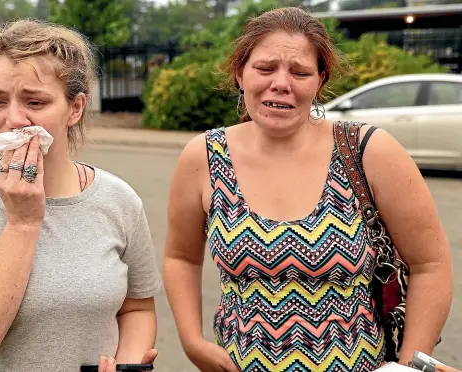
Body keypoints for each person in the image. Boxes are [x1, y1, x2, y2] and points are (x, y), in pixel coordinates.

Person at [163, 7, 453, 372]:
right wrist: (192, 341)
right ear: (240, 73)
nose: (281, 83)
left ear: (319, 80)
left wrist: (408, 366)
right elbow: (181, 257)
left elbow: (430, 264)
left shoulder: (368, 151)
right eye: (265, 68)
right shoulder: (204, 156)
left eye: (299, 72)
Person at [0, 20, 161, 372]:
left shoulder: (118, 199)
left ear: (75, 108)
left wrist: (127, 364)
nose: (15, 119)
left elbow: (137, 308)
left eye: (35, 101)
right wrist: (22, 222)